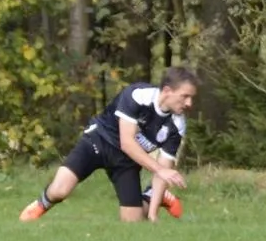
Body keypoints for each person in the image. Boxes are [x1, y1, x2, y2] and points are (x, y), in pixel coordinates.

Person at [20, 67, 196, 223]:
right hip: (98, 141)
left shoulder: (177, 124)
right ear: (167, 91)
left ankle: (151, 196)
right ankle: (41, 205)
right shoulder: (137, 95)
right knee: (60, 190)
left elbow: (164, 171)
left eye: (191, 98)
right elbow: (127, 143)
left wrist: (152, 214)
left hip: (126, 161)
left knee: (133, 222)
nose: (189, 104)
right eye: (185, 96)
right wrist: (159, 170)